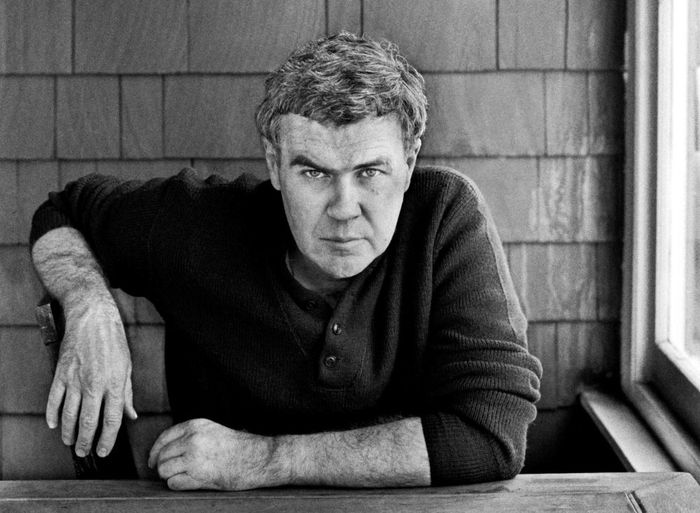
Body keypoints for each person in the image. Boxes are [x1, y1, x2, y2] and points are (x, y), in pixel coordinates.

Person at [29, 32, 542, 491]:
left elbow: (490, 433)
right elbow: (62, 211)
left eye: (370, 172)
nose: (344, 208)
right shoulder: (202, 225)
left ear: (408, 163)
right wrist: (87, 303)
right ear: (275, 164)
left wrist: (264, 459)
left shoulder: (444, 217)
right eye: (314, 173)